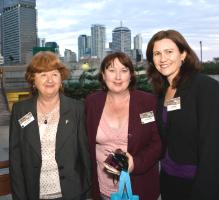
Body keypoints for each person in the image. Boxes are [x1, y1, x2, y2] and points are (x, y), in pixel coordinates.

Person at [146, 29, 219, 200]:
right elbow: (163, 120)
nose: (162, 58)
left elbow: (213, 147)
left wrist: (204, 191)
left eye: (169, 52)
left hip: (197, 184)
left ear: (183, 54)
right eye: (157, 53)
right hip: (169, 180)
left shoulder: (205, 88)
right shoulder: (163, 91)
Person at [9, 51, 91, 200]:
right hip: (33, 193)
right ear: (33, 80)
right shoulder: (20, 110)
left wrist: (86, 190)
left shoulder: (77, 109)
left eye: (54, 74)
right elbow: (15, 159)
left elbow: (85, 153)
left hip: (72, 193)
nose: (50, 80)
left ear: (61, 79)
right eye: (43, 74)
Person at [85, 52, 161, 200]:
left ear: (131, 75)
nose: (118, 77)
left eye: (124, 70)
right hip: (103, 190)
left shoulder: (147, 103)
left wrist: (135, 164)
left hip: (140, 187)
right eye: (112, 70)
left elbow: (158, 143)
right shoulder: (92, 103)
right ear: (103, 74)